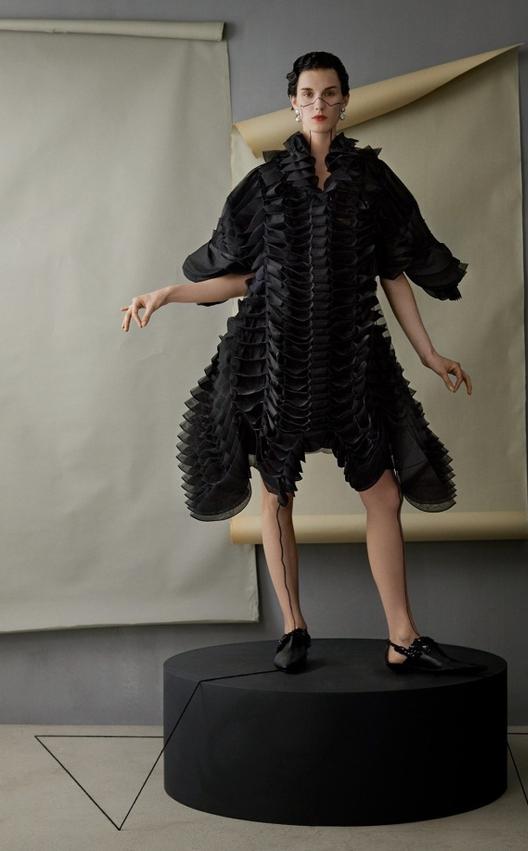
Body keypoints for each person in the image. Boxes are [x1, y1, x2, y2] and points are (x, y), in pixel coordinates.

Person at [120, 51, 485, 676]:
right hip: (274, 361)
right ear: (293, 102)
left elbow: (393, 271)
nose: (319, 103)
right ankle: (293, 627)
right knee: (276, 494)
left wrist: (429, 353)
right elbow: (243, 279)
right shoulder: (263, 187)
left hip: (351, 361)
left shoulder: (372, 182)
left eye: (331, 93)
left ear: (345, 102)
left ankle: (403, 636)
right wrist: (169, 293)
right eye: (309, 93)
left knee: (383, 492)